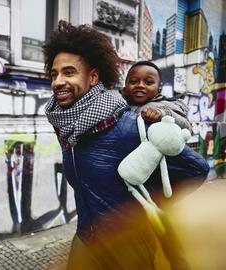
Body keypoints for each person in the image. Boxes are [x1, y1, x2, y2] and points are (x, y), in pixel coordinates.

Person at [43, 21, 209, 269]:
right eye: (54, 74)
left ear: (93, 77)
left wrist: (146, 206)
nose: (57, 82)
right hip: (86, 241)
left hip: (128, 250)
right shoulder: (69, 129)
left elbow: (198, 169)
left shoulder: (130, 127)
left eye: (68, 72)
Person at [123, 61, 192, 131]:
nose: (140, 85)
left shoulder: (165, 105)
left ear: (159, 90)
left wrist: (161, 114)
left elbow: (187, 127)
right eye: (133, 81)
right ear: (125, 87)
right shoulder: (118, 104)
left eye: (148, 82)